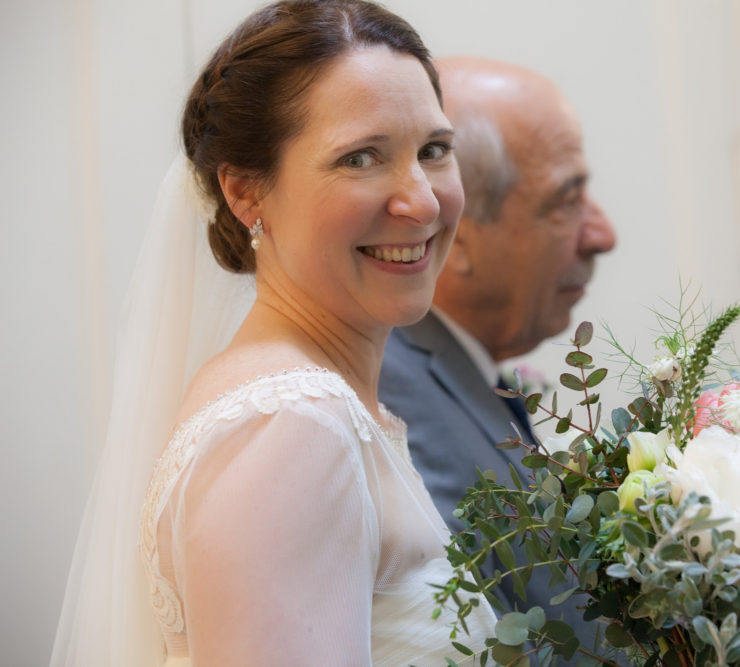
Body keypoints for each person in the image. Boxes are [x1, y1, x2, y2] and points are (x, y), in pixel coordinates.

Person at [50, 2, 494, 665]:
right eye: (361, 157)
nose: (423, 200)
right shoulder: (295, 426)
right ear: (246, 193)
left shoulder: (298, 403)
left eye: (434, 150)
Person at [379, 57, 616, 653]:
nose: (602, 234)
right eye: (566, 198)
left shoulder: (459, 370)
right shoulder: (396, 396)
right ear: (455, 233)